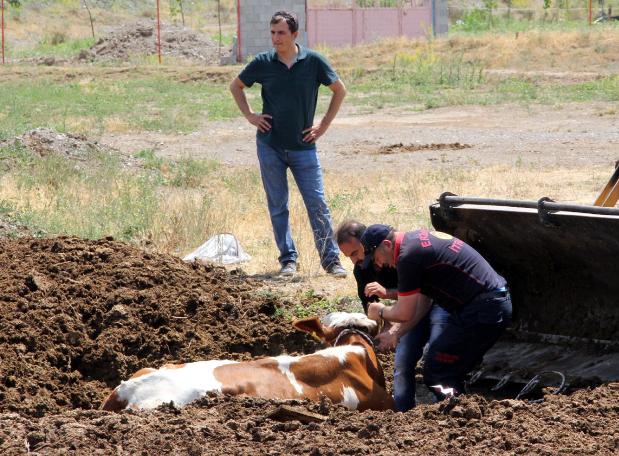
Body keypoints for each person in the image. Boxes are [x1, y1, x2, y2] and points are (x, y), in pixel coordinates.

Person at [229, 11, 347, 278]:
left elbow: (340, 90)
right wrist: (250, 116)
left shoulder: (313, 61)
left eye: (281, 33)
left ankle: (331, 261)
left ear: (295, 35)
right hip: (270, 145)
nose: (275, 38)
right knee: (278, 205)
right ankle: (288, 261)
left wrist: (324, 125)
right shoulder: (262, 63)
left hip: (303, 147)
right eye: (272, 33)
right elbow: (235, 86)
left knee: (317, 202)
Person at [361, 224, 512, 400]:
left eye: (375, 257)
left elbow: (404, 313)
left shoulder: (408, 257)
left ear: (387, 244)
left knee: (437, 372)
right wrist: (395, 332)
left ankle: (461, 414)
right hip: (490, 304)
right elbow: (423, 303)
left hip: (482, 310)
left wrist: (380, 311)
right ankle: (460, 408)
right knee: (445, 370)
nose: (379, 264)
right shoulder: (415, 241)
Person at [335, 220, 449, 411]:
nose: (355, 260)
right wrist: (387, 328)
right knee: (402, 361)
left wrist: (387, 295)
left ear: (366, 243)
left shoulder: (395, 255)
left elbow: (421, 291)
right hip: (407, 311)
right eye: (349, 257)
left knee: (437, 358)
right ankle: (401, 412)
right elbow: (371, 305)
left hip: (436, 302)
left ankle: (451, 403)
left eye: (355, 253)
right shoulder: (361, 269)